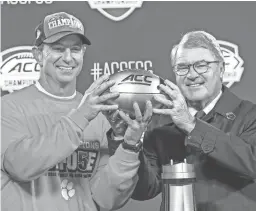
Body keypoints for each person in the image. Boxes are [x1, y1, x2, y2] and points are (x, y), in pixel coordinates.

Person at [1, 12, 153, 211]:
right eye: (57, 49)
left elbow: (106, 199)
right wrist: (81, 116)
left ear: (83, 54)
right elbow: (20, 166)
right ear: (38, 54)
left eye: (75, 49)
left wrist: (129, 145)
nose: (67, 58)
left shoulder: (98, 115)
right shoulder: (8, 107)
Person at [108, 30, 256, 211]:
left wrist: (191, 125)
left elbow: (251, 163)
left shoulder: (249, 115)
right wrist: (128, 143)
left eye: (202, 65)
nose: (192, 75)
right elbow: (144, 190)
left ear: (222, 69)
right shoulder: (160, 121)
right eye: (182, 67)